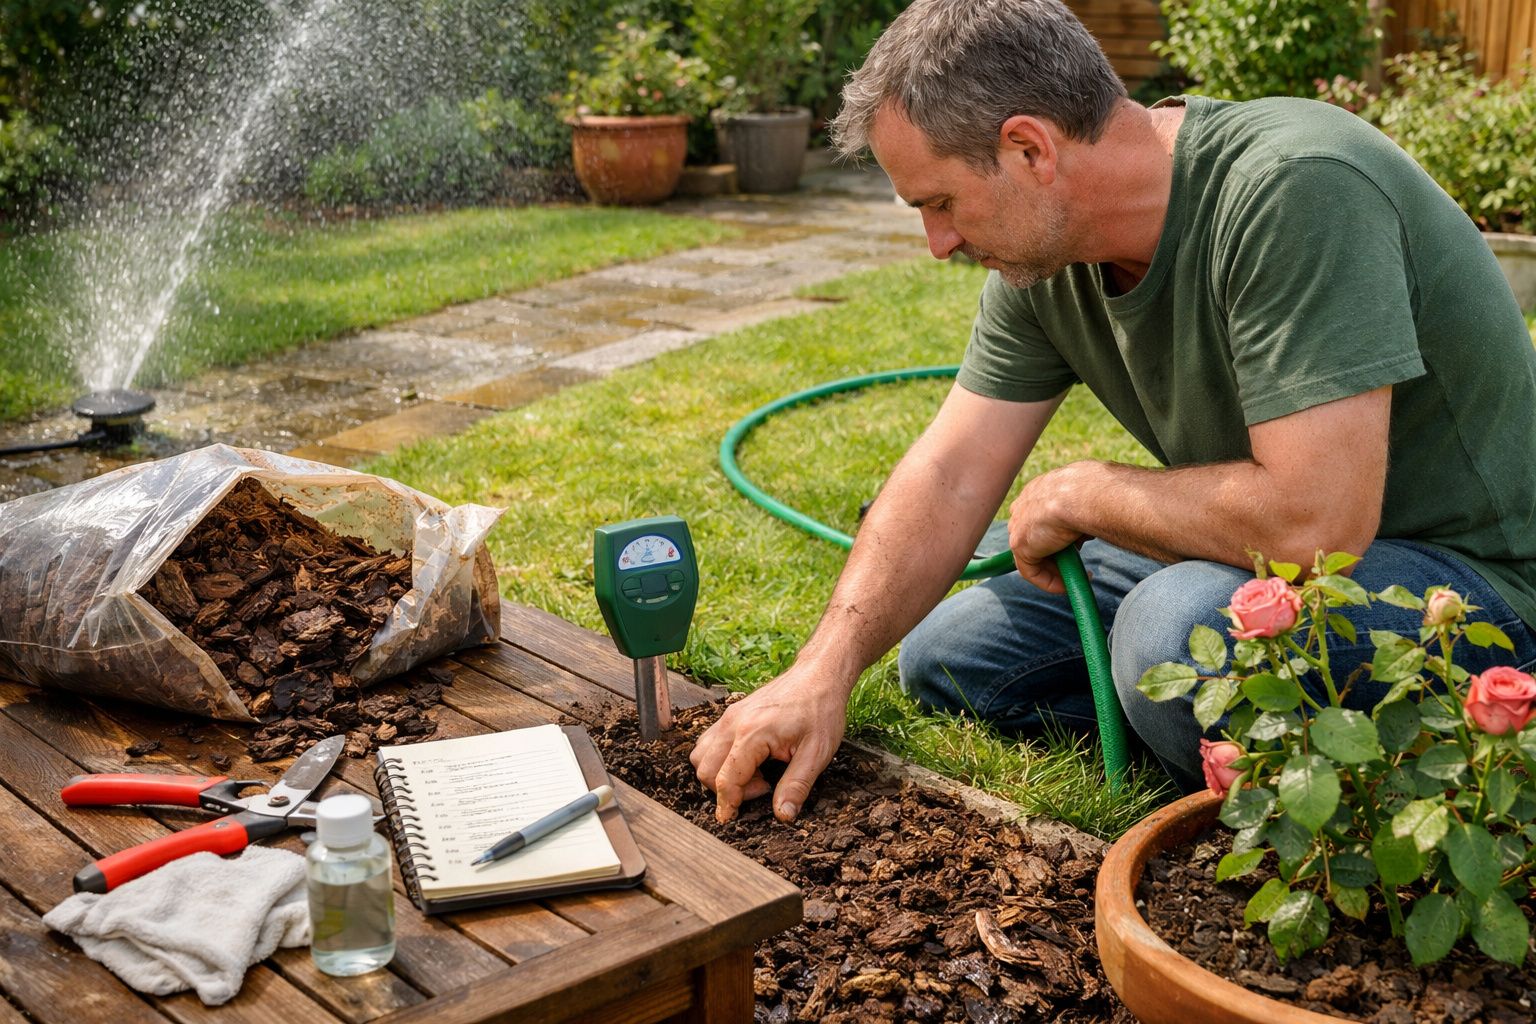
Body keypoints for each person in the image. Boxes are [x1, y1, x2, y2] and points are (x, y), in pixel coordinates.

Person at [690, 0, 1536, 817]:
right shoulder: (1043, 262)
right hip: (1274, 561)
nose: (937, 243)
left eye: (938, 203)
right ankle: (1205, 733)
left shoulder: (1294, 187)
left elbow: (1314, 526)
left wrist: (1082, 494)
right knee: (952, 656)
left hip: (1470, 585)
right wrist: (822, 671)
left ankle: (1291, 782)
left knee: (1170, 638)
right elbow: (949, 474)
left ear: (1028, 149)